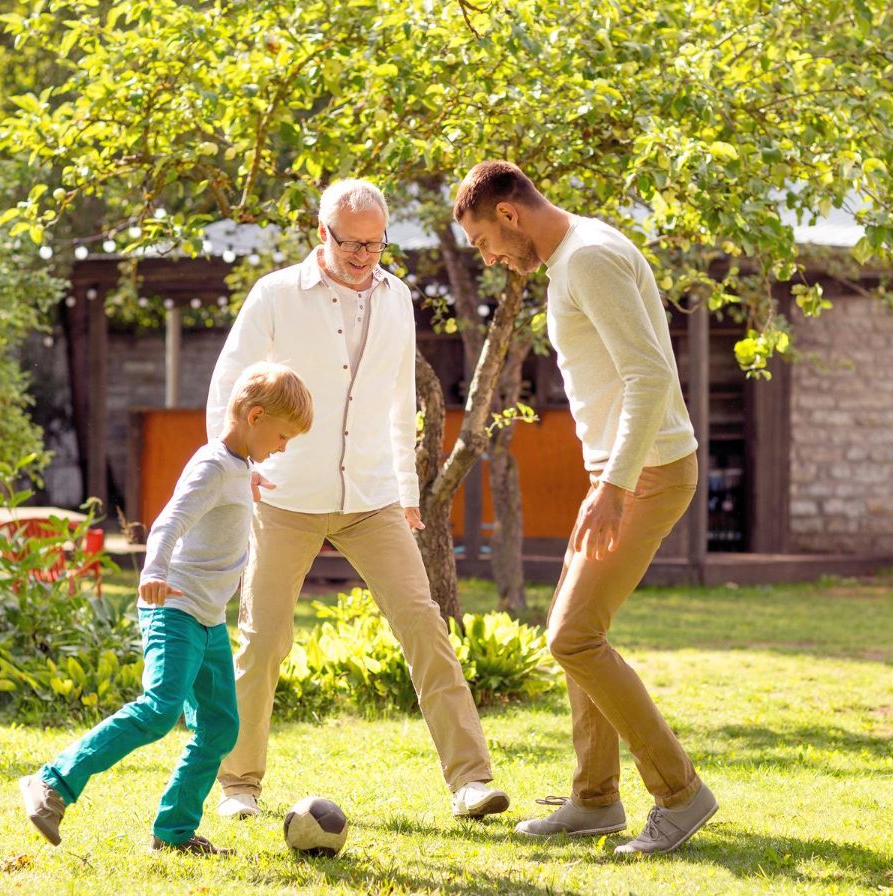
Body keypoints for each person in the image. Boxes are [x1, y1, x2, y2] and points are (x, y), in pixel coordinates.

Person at [208, 178, 510, 822]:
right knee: (263, 640)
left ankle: (470, 781)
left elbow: (399, 402)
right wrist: (232, 466)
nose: (364, 256)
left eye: (375, 244)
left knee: (424, 625)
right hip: (285, 493)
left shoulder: (397, 297)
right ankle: (238, 785)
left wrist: (405, 490)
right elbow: (227, 382)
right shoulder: (276, 295)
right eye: (352, 244)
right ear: (323, 234)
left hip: (372, 495)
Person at [452, 161, 717, 855]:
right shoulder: (575, 257)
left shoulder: (591, 257)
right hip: (623, 471)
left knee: (573, 637)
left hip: (648, 472)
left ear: (508, 214)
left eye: (484, 242)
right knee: (575, 634)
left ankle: (680, 794)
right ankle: (595, 801)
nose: (490, 257)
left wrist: (615, 485)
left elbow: (650, 374)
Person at [19, 363, 313, 855]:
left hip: (206, 618)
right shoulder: (213, 466)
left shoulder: (237, 469)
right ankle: (51, 782)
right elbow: (169, 520)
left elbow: (227, 493)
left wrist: (249, 486)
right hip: (173, 606)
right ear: (255, 415)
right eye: (282, 436)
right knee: (159, 710)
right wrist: (153, 570)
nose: (283, 447)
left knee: (220, 726)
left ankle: (173, 833)